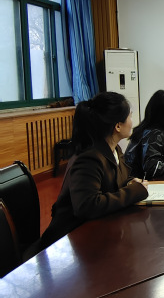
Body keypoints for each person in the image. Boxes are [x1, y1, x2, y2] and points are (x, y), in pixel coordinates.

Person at [26, 92, 149, 259]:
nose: (132, 122)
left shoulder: (114, 149)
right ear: (118, 126)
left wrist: (130, 182)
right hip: (71, 242)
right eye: (130, 116)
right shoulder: (89, 158)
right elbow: (87, 205)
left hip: (96, 232)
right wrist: (134, 191)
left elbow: (113, 180)